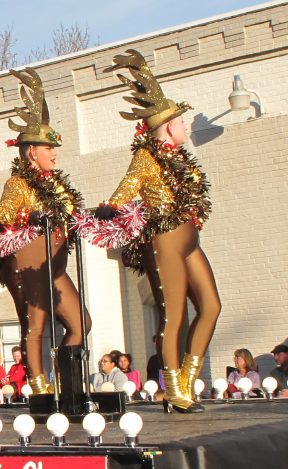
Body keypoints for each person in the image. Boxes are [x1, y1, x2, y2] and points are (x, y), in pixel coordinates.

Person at [98, 50, 220, 413]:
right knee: (173, 315)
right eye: (181, 121)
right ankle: (174, 388)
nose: (185, 126)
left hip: (188, 238)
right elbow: (127, 187)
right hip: (165, 240)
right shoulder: (146, 158)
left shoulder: (179, 159)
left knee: (211, 306)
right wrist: (112, 206)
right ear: (167, 127)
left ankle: (188, 378)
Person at [0, 67, 90, 397]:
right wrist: (20, 213)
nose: (54, 153)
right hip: (30, 264)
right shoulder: (18, 184)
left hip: (56, 267)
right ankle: (40, 387)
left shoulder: (56, 186)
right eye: (48, 147)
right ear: (31, 152)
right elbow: (3, 214)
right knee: (36, 325)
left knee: (81, 323)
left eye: (54, 147)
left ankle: (67, 382)